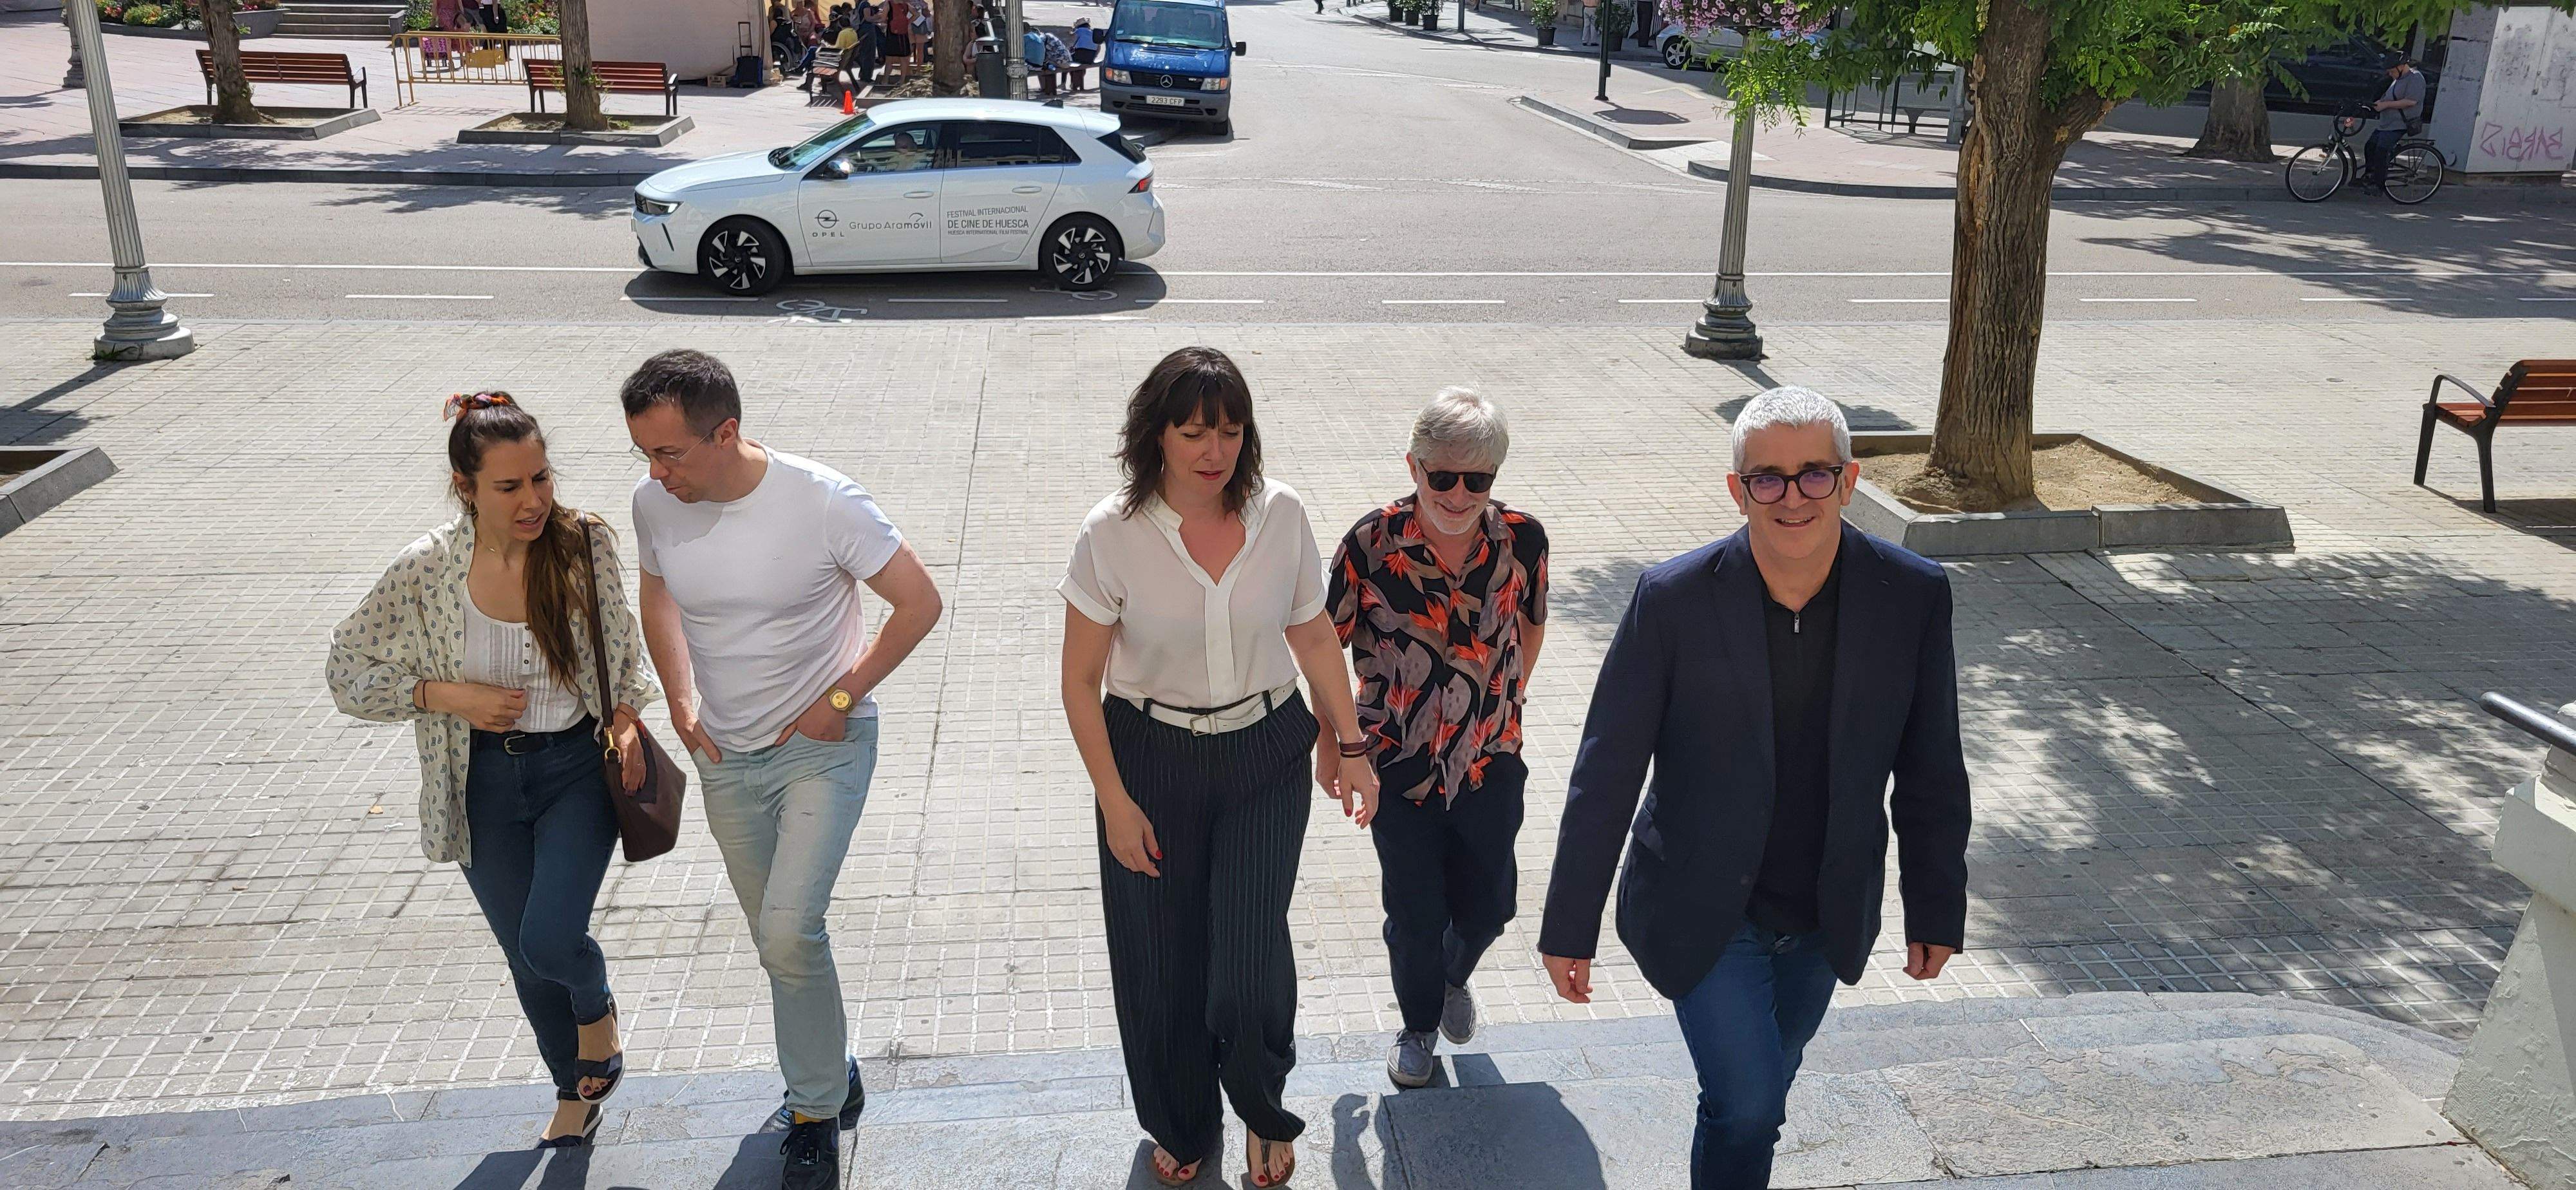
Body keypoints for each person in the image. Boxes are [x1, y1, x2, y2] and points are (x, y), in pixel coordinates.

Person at [1537, 386, 1971, 1190]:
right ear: (1738, 490)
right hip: (1702, 907)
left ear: (1848, 481)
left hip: (1825, 912)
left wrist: (1936, 905)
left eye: (1814, 474)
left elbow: (1931, 766)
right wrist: (1569, 923)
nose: (1792, 496)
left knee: (1755, 1097)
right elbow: (1607, 767)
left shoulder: (1912, 594)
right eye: (1767, 478)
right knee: (1748, 1104)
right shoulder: (1672, 598)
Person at [623, 351, 945, 1190]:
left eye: (671, 454)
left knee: (789, 929)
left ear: (725, 432)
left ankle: (810, 1110)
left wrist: (842, 698)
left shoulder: (823, 501)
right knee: (783, 944)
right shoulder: (654, 504)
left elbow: (919, 602)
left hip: (823, 748)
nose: (657, 474)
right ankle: (832, 1074)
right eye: (644, 456)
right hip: (727, 755)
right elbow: (656, 594)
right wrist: (680, 702)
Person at [1059, 347, 1378, 1189]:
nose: (1214, 450)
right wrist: (1114, 802)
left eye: (1230, 431)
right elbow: (1079, 682)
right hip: (1149, 760)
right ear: (1156, 434)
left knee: (1245, 959)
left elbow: (1313, 633)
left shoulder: (1283, 516)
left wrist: (1349, 744)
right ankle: (1182, 1115)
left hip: (1264, 753)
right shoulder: (1110, 534)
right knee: (1161, 959)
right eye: (1194, 431)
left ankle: (1261, 1108)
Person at [328, 392, 661, 1150]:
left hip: (575, 772)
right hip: (478, 783)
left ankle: (596, 1005)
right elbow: (345, 668)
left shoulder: (583, 544)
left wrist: (626, 716)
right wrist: (443, 696)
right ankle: (572, 1092)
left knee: (552, 940)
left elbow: (620, 642)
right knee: (524, 956)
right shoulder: (426, 569)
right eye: (509, 487)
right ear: (465, 486)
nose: (534, 500)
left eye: (540, 479)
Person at [1328, 388, 1548, 1091]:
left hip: (1491, 759)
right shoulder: (1369, 543)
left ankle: (1455, 976)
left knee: (1491, 905)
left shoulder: (1524, 538)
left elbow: (1531, 623)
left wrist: (1503, 702)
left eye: (1476, 479)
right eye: (1440, 476)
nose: (1457, 493)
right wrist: (1333, 742)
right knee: (1415, 914)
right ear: (1413, 466)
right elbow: (1319, 643)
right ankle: (1418, 1025)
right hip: (1397, 764)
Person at [2362, 55, 2425, 192]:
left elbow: (2411, 101)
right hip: (2387, 123)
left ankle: (2378, 185)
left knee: (2382, 151)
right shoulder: (2398, 78)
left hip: (2400, 123)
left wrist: (2386, 105)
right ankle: (2370, 176)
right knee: (2370, 146)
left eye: (2392, 71)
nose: (2390, 74)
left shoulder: (2416, 78)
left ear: (2402, 67)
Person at [1068, 17, 1097, 91]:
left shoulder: (1078, 31)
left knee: (1070, 61)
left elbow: (1071, 43)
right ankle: (1078, 83)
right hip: (1090, 57)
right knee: (1083, 64)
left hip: (1080, 55)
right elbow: (1099, 47)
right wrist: (1094, 57)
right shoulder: (1092, 32)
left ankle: (1073, 84)